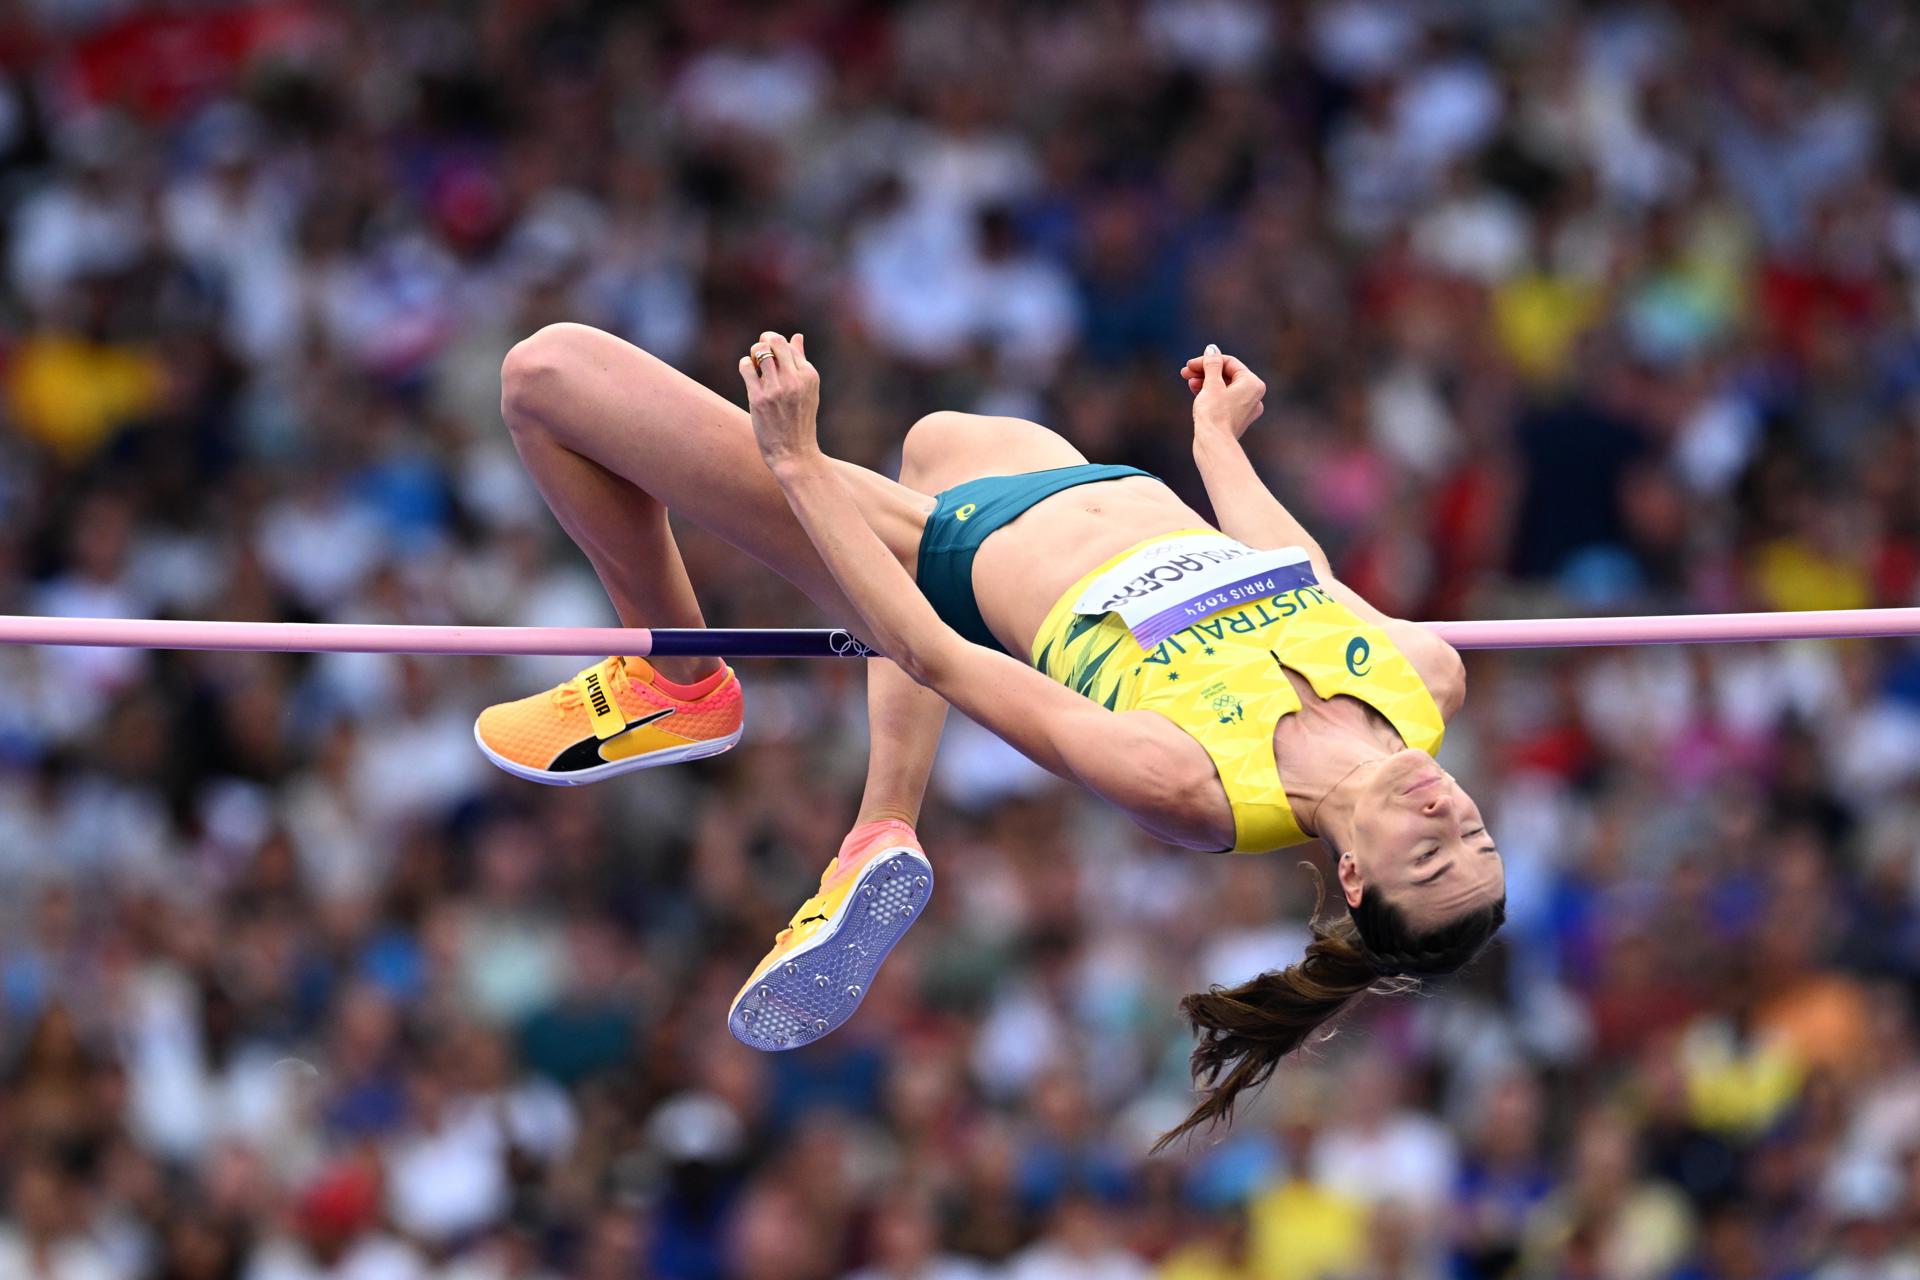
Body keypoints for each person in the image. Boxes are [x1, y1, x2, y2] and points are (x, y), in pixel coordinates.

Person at [474, 324, 1505, 1145]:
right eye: (1475, 835)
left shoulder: (1193, 786)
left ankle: (682, 679)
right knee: (934, 437)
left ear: (1359, 875)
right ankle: (880, 826)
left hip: (949, 552)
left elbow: (938, 654)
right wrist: (1217, 445)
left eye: (1430, 850)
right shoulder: (1426, 676)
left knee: (547, 375)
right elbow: (1300, 572)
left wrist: (797, 463)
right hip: (1069, 482)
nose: (1448, 813)